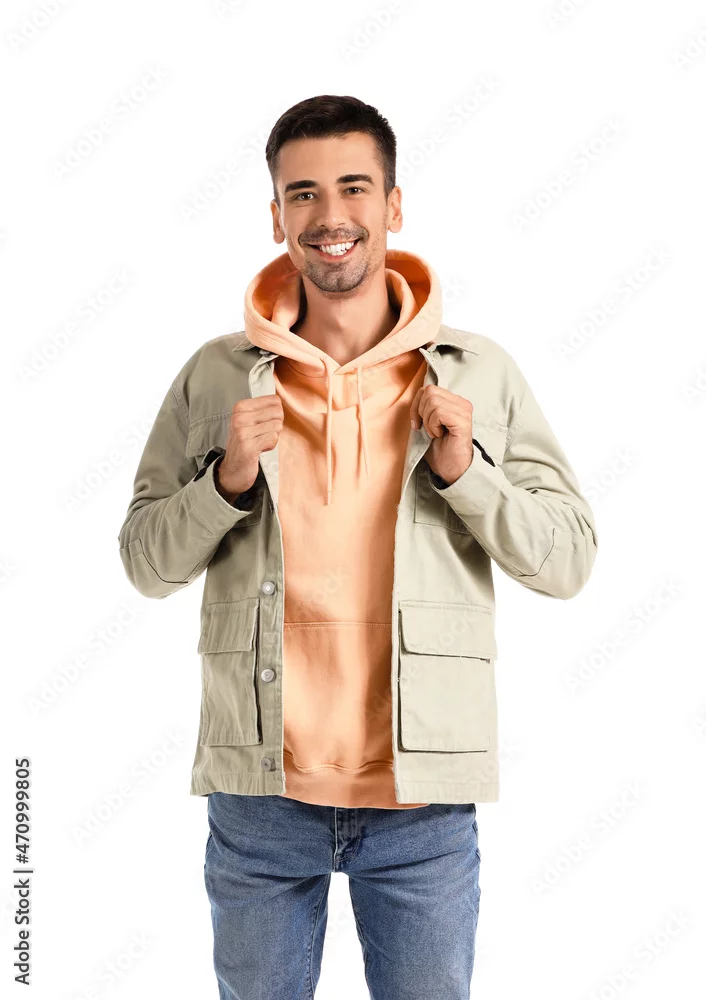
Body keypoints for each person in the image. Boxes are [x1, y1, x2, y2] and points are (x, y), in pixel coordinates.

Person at [118, 94, 598, 999]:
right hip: (261, 798)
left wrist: (467, 472)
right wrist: (225, 481)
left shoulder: (477, 372)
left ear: (393, 204)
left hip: (422, 805)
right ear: (276, 216)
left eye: (353, 188)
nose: (329, 216)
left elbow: (569, 557)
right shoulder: (217, 376)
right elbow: (145, 562)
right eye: (302, 194)